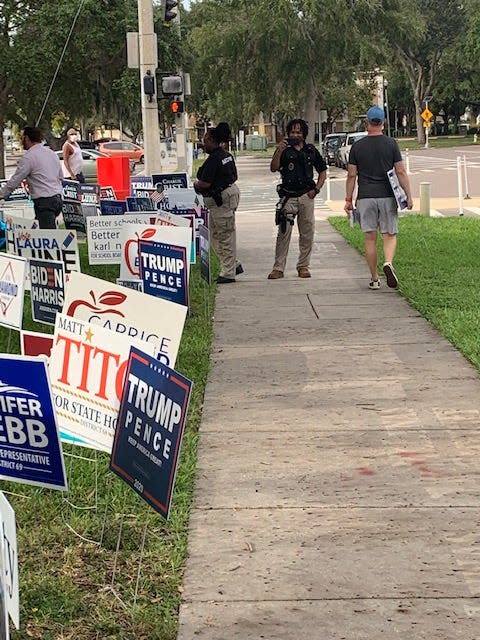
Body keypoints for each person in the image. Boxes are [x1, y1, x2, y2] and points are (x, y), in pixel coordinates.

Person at [344, 106, 413, 290]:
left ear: (367, 122)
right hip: (387, 195)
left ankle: (374, 278)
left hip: (365, 197)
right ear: (383, 122)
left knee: (370, 238)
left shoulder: (357, 147)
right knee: (389, 234)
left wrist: (348, 199)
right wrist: (409, 195)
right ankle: (388, 262)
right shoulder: (391, 144)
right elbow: (400, 171)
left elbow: (351, 175)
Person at [268, 118, 327, 280]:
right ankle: (278, 268)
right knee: (283, 232)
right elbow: (273, 168)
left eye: (298, 132)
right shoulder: (285, 151)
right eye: (292, 132)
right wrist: (279, 150)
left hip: (306, 196)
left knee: (307, 232)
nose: (295, 135)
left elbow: (322, 171)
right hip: (288, 196)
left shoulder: (310, 150)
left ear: (304, 134)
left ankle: (303, 266)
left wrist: (316, 189)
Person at [193, 124, 242, 284]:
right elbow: (234, 175)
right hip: (224, 197)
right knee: (214, 236)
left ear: (213, 140)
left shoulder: (215, 159)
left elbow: (205, 183)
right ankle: (233, 264)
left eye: (206, 140)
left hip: (221, 200)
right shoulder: (226, 155)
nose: (203, 143)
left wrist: (195, 185)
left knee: (225, 236)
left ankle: (228, 273)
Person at [0, 126, 63, 229]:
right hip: (57, 199)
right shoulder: (52, 154)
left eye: (22, 138)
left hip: (44, 202)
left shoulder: (28, 157)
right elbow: (61, 176)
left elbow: (15, 181)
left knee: (48, 237)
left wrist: (1, 194)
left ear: (27, 138)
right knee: (37, 232)